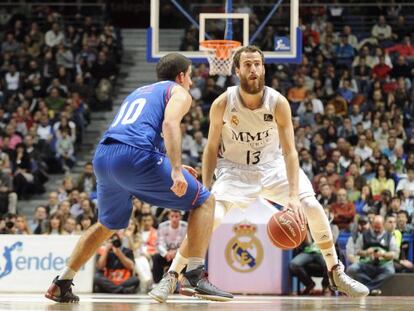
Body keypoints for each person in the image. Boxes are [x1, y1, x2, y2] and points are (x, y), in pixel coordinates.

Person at [149, 46, 369, 302]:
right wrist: (205, 189)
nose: (253, 69)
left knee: (310, 205)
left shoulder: (278, 102)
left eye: (257, 64)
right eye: (247, 65)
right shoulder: (222, 103)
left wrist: (293, 196)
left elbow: (290, 152)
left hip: (273, 166)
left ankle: (335, 271)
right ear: (237, 70)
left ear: (263, 68)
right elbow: (210, 149)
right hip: (233, 171)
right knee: (210, 218)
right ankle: (172, 275)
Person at [45, 53, 232, 303]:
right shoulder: (179, 92)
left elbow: (137, 129)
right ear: (181, 76)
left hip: (104, 156)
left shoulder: (140, 91)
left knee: (108, 225)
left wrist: (170, 162)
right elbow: (169, 125)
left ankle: (62, 281)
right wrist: (175, 169)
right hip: (135, 156)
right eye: (190, 77)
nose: (191, 82)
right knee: (205, 201)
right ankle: (194, 275)